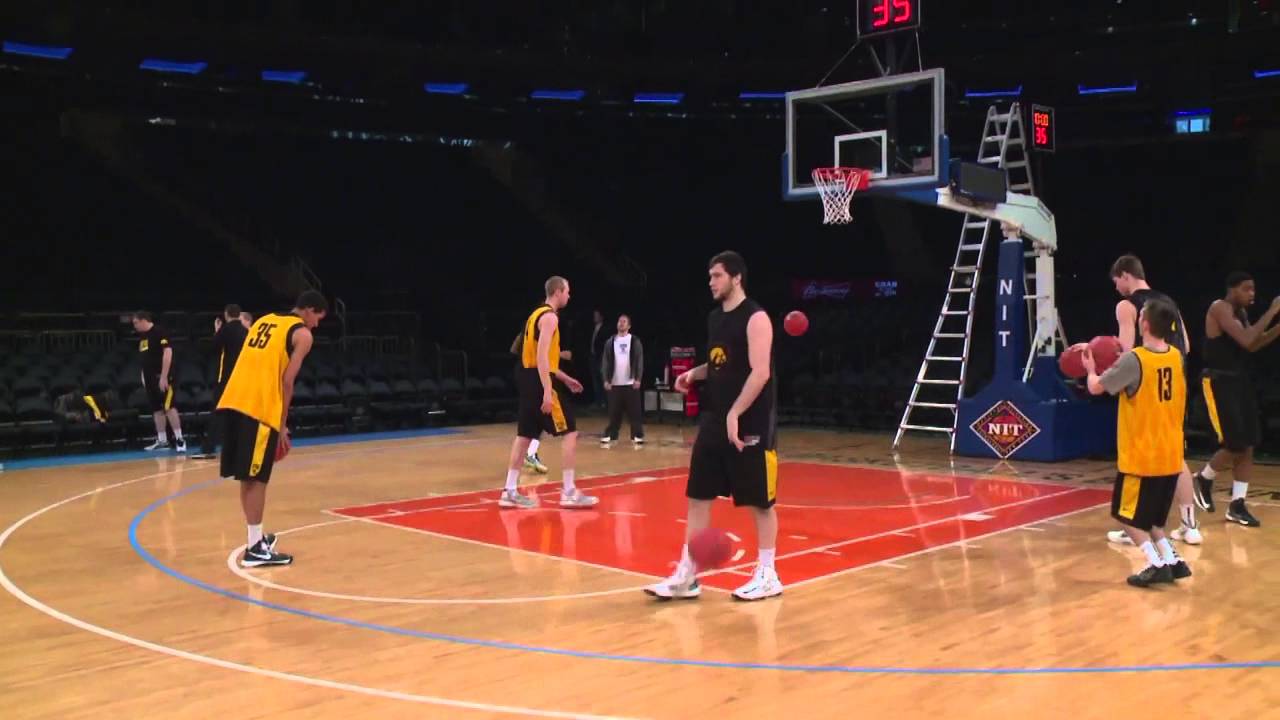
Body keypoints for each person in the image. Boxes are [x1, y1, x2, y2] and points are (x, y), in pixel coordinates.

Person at [645, 251, 781, 602]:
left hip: (750, 421)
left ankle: (768, 574)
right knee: (698, 496)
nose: (711, 282)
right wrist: (695, 373)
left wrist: (736, 413)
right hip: (715, 418)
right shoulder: (715, 318)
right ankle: (688, 575)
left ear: (736, 278)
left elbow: (760, 371)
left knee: (760, 502)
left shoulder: (756, 318)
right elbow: (722, 361)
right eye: (710, 276)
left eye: (717, 275)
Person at [1084, 297, 1192, 587]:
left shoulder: (1136, 359)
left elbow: (1096, 388)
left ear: (1144, 323)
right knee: (1154, 518)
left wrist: (1091, 368)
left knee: (1126, 515)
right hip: (1170, 455)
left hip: (1142, 456)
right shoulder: (1176, 357)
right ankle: (1172, 558)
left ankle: (1155, 563)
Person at [217, 291, 327, 567]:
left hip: (234, 400)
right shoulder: (302, 335)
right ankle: (254, 549)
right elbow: (287, 381)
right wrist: (281, 423)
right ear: (309, 310)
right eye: (317, 318)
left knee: (248, 476)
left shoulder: (264, 320)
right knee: (257, 478)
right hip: (259, 407)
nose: (316, 325)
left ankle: (256, 538)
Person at [1103, 255, 1201, 545]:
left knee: (1138, 456)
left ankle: (1135, 521)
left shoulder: (1127, 305)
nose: (1117, 288)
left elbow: (1123, 348)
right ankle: (1189, 525)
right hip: (1175, 380)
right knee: (1175, 455)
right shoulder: (1168, 302)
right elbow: (1187, 344)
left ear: (1125, 275)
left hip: (1143, 381)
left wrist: (1097, 358)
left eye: (1117, 282)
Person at [500, 277, 596, 509]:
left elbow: (538, 357)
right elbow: (542, 357)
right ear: (558, 292)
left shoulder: (535, 315)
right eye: (567, 292)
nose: (569, 296)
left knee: (525, 435)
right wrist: (546, 391)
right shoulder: (550, 317)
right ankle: (569, 491)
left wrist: (564, 378)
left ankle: (509, 491)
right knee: (570, 431)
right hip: (537, 380)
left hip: (525, 376)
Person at [1193, 272, 1280, 527]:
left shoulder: (1239, 314)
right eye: (1246, 289)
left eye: (1253, 289)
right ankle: (1203, 478)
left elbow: (1252, 345)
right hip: (1219, 381)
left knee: (1249, 443)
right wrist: (1273, 310)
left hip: (1239, 380)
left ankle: (1237, 505)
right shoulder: (1219, 308)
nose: (1252, 294)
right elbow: (1247, 338)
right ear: (1232, 289)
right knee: (1235, 442)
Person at [193, 304, 249, 460]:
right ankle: (240, 448)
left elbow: (213, 347)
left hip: (227, 379)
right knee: (239, 415)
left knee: (218, 413)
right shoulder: (246, 331)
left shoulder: (227, 329)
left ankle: (208, 448)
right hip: (242, 378)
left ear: (226, 314)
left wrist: (217, 331)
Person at [132, 311, 185, 453]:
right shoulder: (142, 337)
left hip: (163, 377)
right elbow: (144, 358)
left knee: (169, 407)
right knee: (156, 409)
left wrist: (163, 376)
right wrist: (143, 376)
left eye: (136, 323)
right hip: (149, 379)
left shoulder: (159, 332)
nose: (134, 326)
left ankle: (180, 440)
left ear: (143, 320)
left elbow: (168, 353)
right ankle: (162, 441)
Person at [600, 314, 645, 445]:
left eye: (624, 322)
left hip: (630, 382)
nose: (621, 323)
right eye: (619, 321)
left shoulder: (635, 341)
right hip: (614, 382)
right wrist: (606, 380)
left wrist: (638, 378)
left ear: (629, 326)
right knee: (614, 412)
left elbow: (639, 360)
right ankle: (611, 435)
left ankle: (637, 435)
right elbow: (605, 362)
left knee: (634, 412)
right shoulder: (610, 342)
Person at [509, 330, 547, 474]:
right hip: (532, 375)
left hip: (524, 373)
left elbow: (512, 349)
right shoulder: (537, 333)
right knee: (539, 417)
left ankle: (530, 453)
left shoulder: (526, 332)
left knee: (537, 419)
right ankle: (530, 454)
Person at [589, 309, 607, 407]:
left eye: (596, 315)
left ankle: (604, 401)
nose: (594, 317)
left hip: (600, 358)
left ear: (601, 317)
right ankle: (598, 401)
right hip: (593, 357)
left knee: (602, 378)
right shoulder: (593, 328)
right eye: (594, 315)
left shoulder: (605, 329)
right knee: (595, 380)